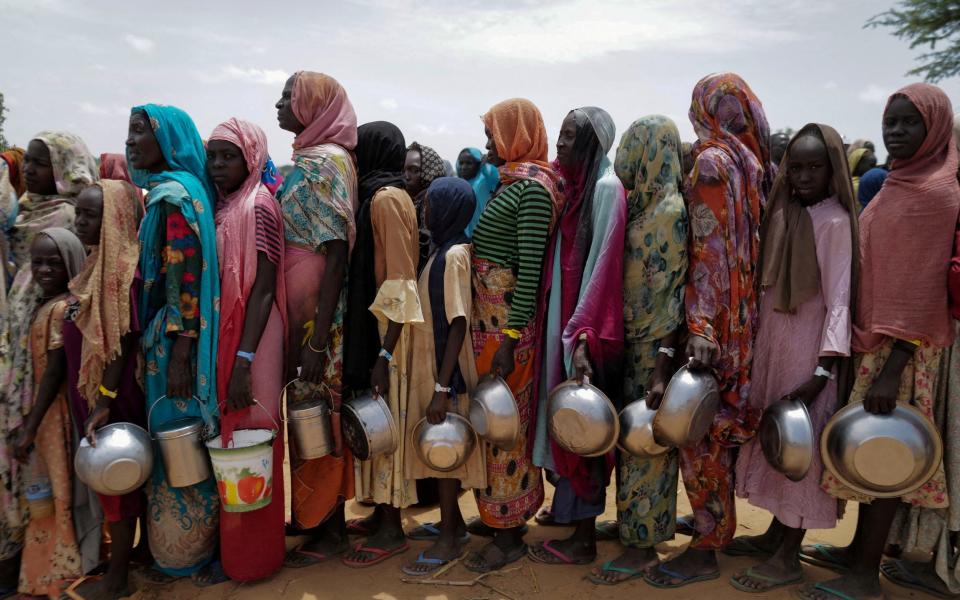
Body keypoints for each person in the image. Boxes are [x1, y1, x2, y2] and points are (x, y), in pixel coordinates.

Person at [797, 83, 960, 600]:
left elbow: (923, 286)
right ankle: (855, 552)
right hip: (876, 342)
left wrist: (894, 365)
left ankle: (866, 575)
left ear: (934, 126)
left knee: (889, 454)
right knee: (867, 449)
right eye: (892, 120)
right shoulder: (897, 182)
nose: (896, 131)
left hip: (903, 350)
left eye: (910, 122)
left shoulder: (936, 192)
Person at [645, 73, 771, 588]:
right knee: (717, 430)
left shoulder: (712, 163)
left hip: (713, 322)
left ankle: (706, 545)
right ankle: (712, 523)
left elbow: (709, 250)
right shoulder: (754, 161)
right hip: (745, 319)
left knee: (700, 433)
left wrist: (699, 326)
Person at [727, 124, 857, 594]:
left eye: (814, 167)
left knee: (801, 444)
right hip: (775, 347)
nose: (803, 176)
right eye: (795, 167)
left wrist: (824, 369)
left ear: (833, 170)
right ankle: (774, 534)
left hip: (810, 352)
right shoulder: (781, 215)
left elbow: (840, 297)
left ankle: (789, 555)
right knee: (774, 438)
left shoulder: (836, 222)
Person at [463, 98, 565, 574]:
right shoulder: (512, 183)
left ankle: (509, 533)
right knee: (496, 421)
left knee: (506, 426)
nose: (487, 144)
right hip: (490, 324)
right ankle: (502, 517)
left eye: (493, 134)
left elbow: (527, 272)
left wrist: (509, 336)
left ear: (517, 134)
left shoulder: (533, 191)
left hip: (505, 327)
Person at [588, 115, 689, 585]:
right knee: (631, 442)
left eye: (634, 148)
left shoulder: (668, 214)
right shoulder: (645, 205)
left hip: (654, 350)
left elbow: (675, 298)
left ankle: (644, 545)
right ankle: (633, 523)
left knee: (647, 444)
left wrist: (662, 368)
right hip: (633, 341)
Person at [126, 104, 221, 584]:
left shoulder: (172, 198)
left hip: (172, 344)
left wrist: (180, 350)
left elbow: (183, 277)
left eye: (139, 131)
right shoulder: (190, 192)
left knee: (177, 439)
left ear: (168, 140)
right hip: (173, 336)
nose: (130, 141)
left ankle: (183, 553)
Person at [527, 107, 626, 566]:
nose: (559, 145)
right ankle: (570, 513)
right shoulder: (572, 189)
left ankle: (584, 537)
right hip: (562, 322)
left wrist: (582, 335)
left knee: (583, 425)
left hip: (583, 331)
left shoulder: (605, 190)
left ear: (591, 144)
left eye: (569, 137)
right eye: (559, 135)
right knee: (562, 418)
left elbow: (603, 269)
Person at [273, 71, 359, 568]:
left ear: (313, 106)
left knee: (317, 416)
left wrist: (318, 335)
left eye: (289, 96)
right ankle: (313, 517)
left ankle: (330, 528)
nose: (279, 103)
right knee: (310, 416)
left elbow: (335, 254)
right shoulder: (315, 160)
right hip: (307, 314)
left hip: (317, 321)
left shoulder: (323, 164)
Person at [207, 118, 287, 583]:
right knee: (233, 441)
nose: (218, 166)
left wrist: (245, 359)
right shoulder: (226, 205)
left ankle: (257, 554)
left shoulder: (259, 206)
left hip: (256, 338)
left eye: (228, 156)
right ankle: (237, 550)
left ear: (251, 157)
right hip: (234, 335)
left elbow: (262, 288)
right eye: (213, 156)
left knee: (254, 441)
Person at [342, 121, 423, 567]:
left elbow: (400, 279)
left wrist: (385, 353)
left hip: (388, 332)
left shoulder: (389, 199)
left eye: (359, 150)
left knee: (385, 423)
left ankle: (393, 528)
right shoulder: (376, 195)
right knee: (375, 423)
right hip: (377, 329)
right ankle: (380, 516)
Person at [63, 180, 146, 600]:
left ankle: (118, 579)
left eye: (90, 215)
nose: (80, 222)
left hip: (112, 395)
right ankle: (132, 561)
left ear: (114, 220)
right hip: (95, 393)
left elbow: (123, 337)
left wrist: (104, 399)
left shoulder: (122, 269)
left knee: (117, 476)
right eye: (78, 213)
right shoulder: (95, 264)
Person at [401, 176, 485, 576]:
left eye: (431, 205)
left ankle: (451, 536)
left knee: (446, 446)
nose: (425, 210)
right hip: (433, 365)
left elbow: (458, 323)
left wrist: (441, 387)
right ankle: (452, 524)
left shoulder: (453, 256)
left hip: (444, 370)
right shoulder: (441, 250)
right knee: (440, 449)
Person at [6, 228, 87, 597]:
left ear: (71, 262)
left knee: (57, 488)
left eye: (53, 262)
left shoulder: (60, 310)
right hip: (42, 412)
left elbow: (54, 372)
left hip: (53, 415)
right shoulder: (44, 302)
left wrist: (30, 426)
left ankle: (63, 567)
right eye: (37, 262)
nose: (43, 269)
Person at [404, 141, 445, 271]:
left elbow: (423, 245)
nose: (406, 176)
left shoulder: (430, 201)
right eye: (403, 169)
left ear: (430, 171)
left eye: (414, 170)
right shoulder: (410, 199)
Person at [455, 147, 500, 237]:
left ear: (478, 164)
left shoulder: (486, 180)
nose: (463, 167)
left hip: (486, 234)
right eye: (461, 163)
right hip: (464, 236)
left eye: (469, 163)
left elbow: (495, 177)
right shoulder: (459, 183)